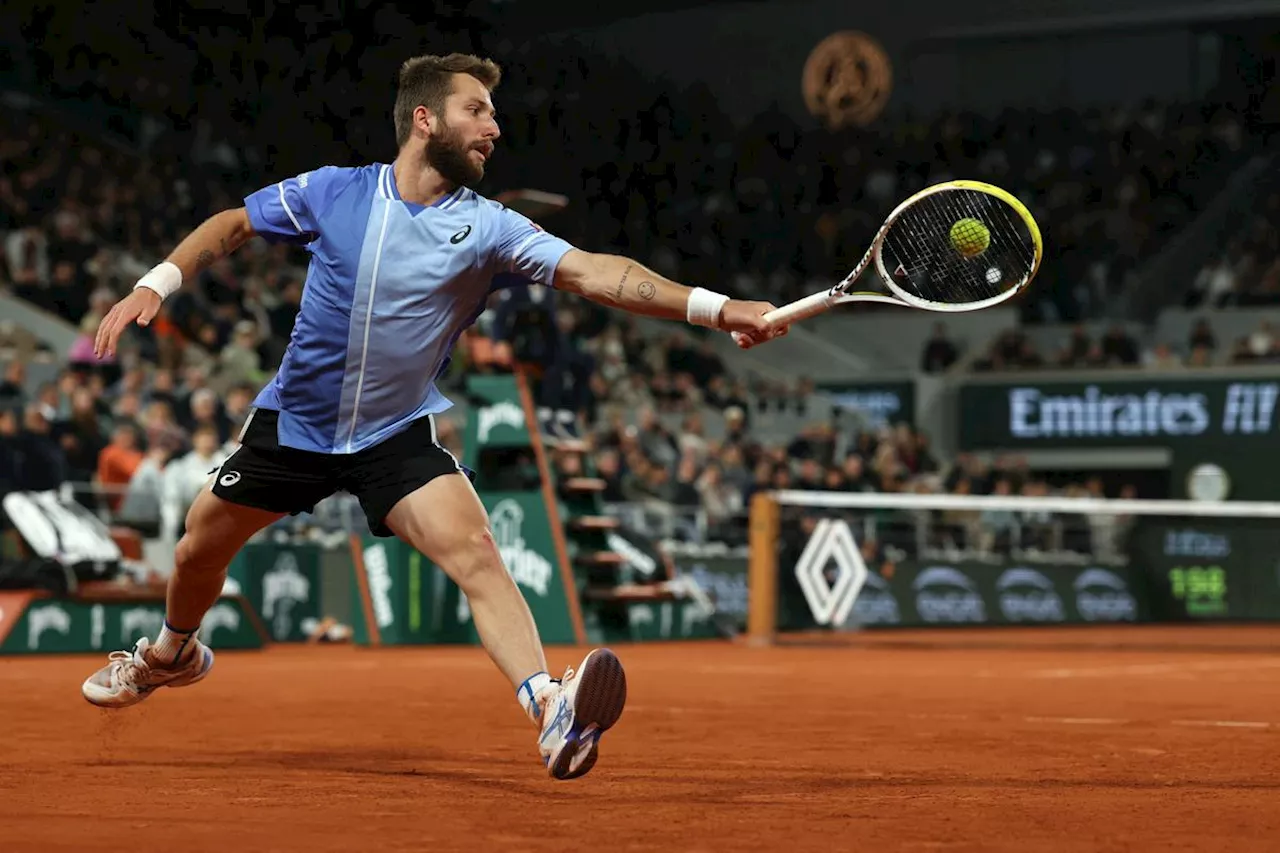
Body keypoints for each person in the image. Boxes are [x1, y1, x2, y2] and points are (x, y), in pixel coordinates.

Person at [81, 52, 788, 780]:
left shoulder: (488, 227)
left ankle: (550, 707)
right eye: (476, 110)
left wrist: (717, 308)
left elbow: (597, 273)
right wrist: (154, 285)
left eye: (492, 113)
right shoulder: (336, 193)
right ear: (425, 119)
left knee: (477, 551)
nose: (494, 126)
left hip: (393, 433)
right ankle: (171, 653)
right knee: (200, 547)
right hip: (294, 424)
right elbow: (232, 225)